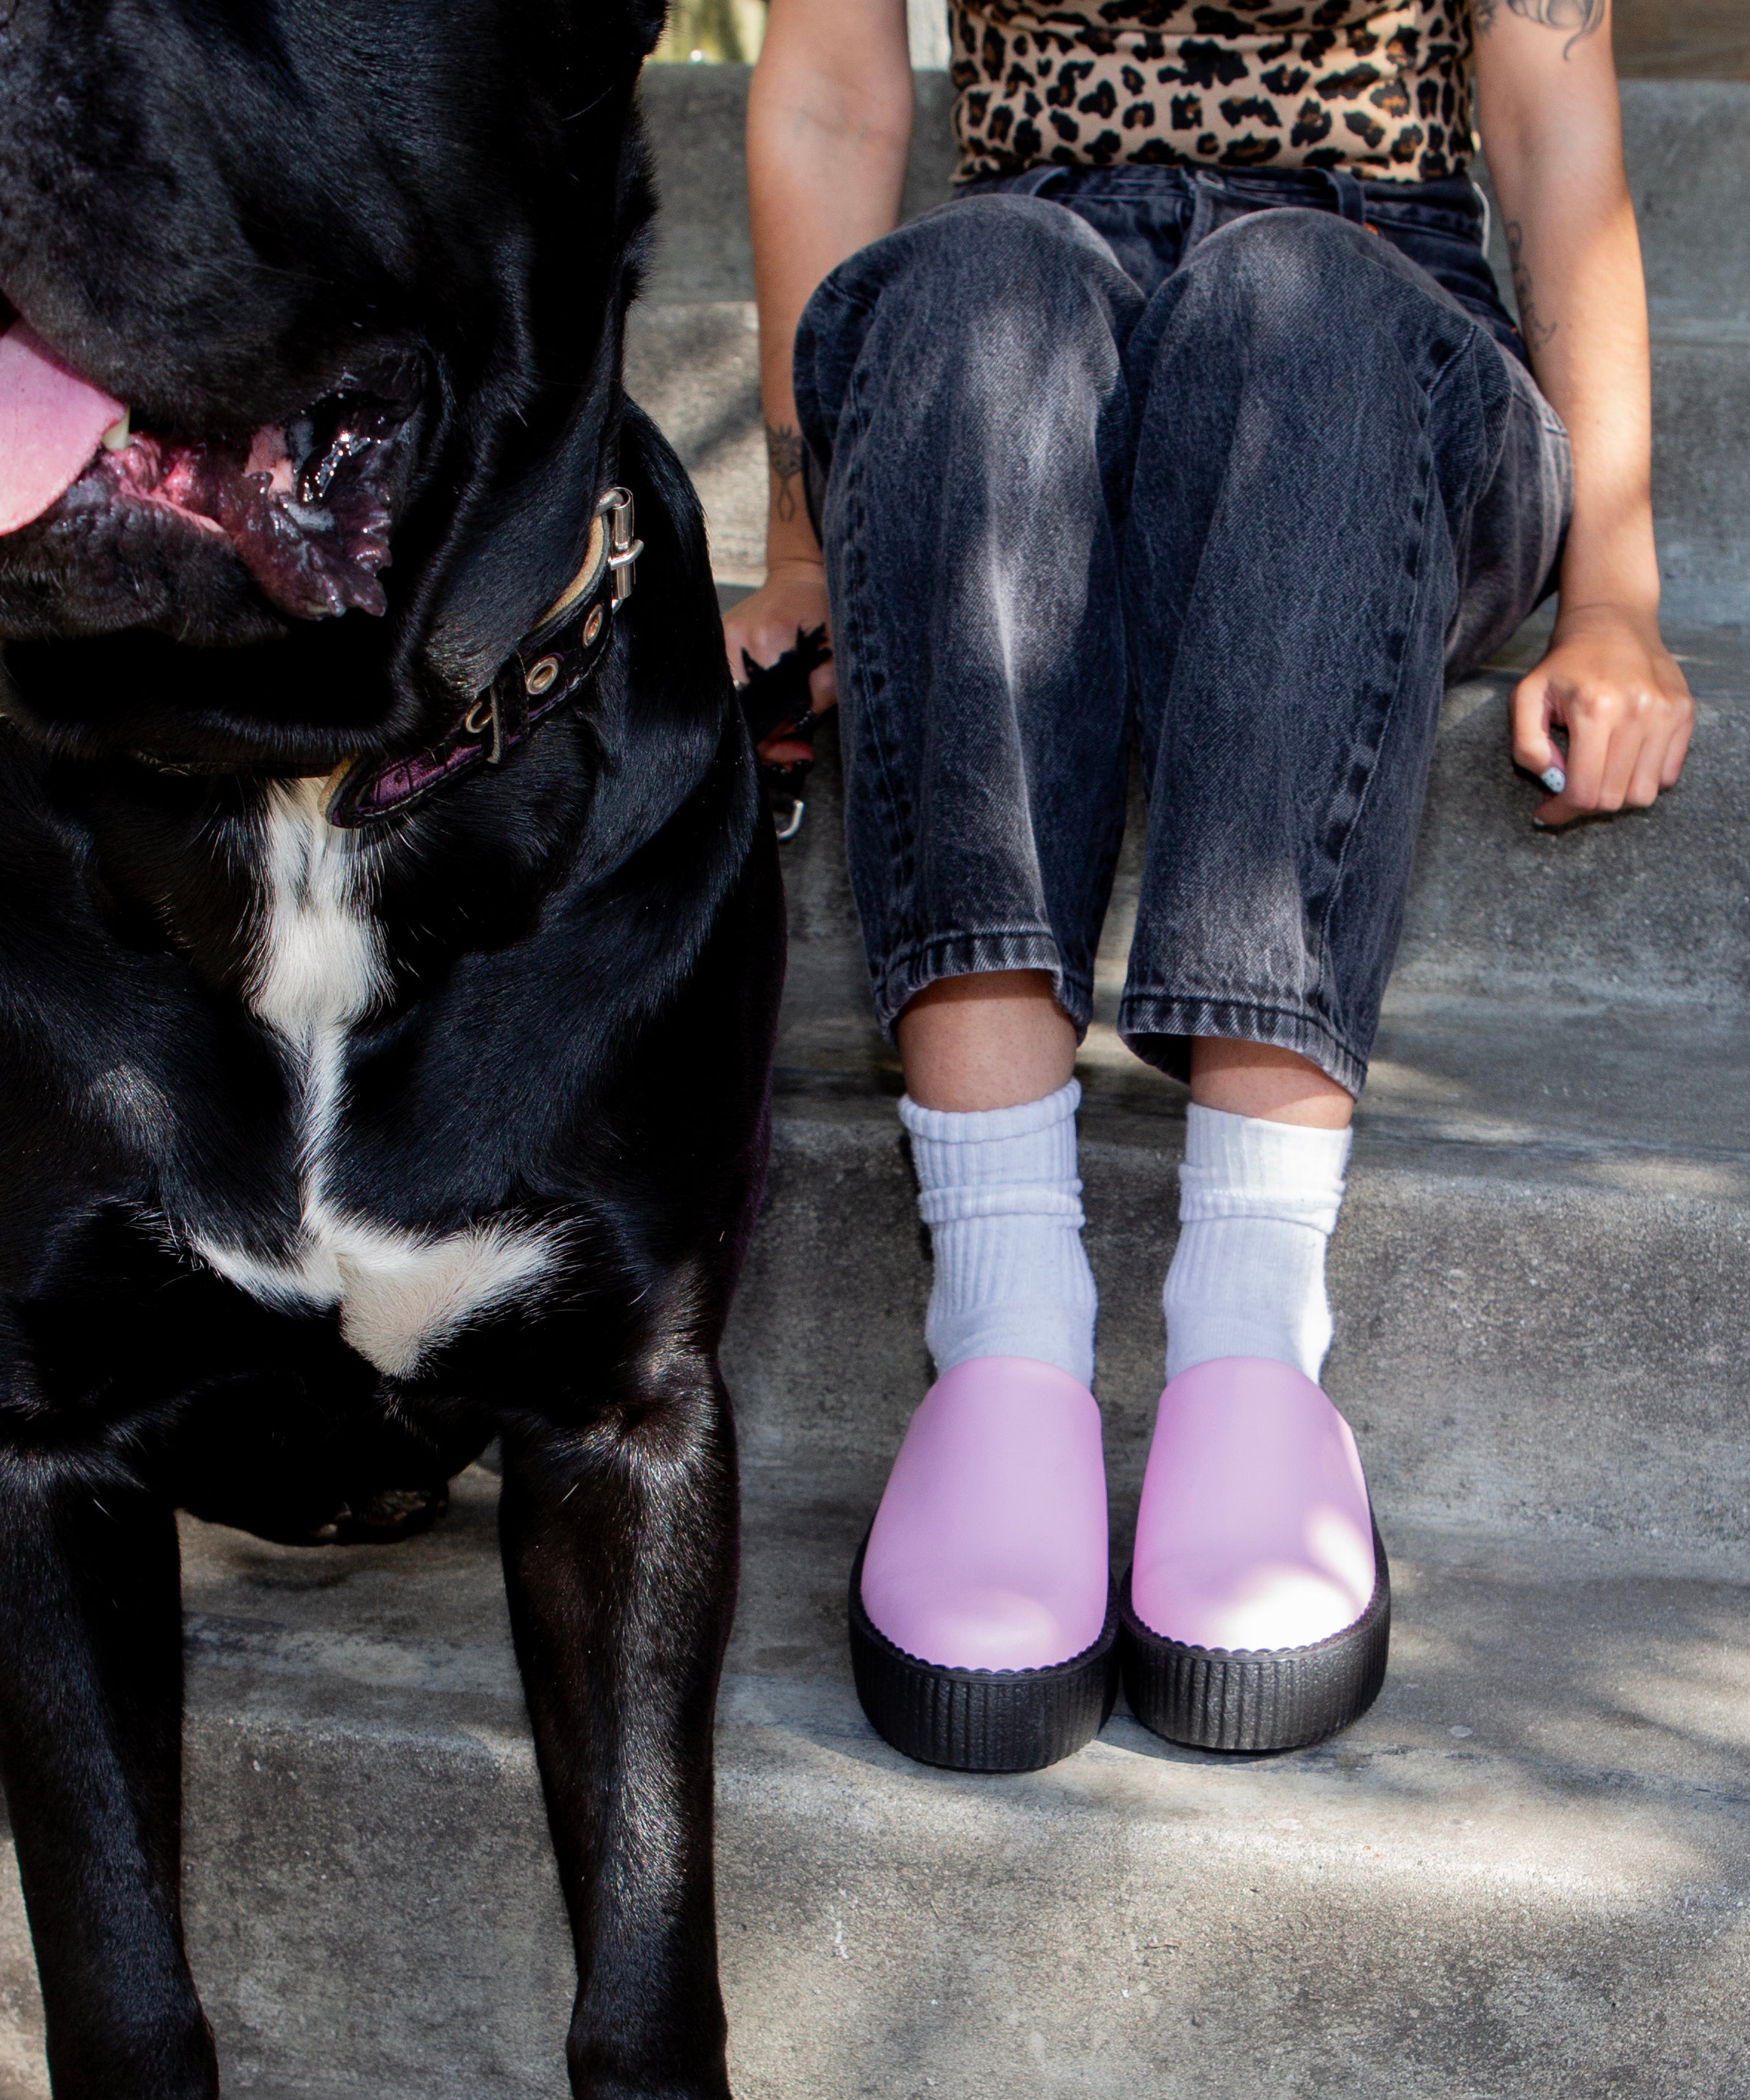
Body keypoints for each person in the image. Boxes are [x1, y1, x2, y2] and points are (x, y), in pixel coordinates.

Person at [725, 0, 1694, 1770]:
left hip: (1384, 335)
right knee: (974, 295)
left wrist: (1616, 597)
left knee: (1295, 303)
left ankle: (1254, 1326)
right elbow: (830, 88)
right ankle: (1003, 1325)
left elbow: (1560, 141)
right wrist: (812, 551)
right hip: (1026, 305)